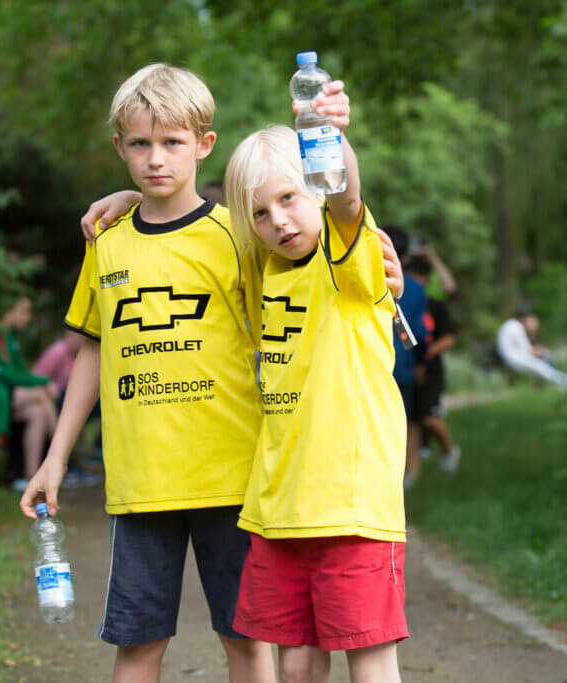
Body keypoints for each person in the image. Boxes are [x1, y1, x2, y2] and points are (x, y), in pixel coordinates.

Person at [18, 63, 275, 683]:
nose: (155, 159)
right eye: (140, 144)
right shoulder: (106, 242)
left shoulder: (239, 233)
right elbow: (92, 350)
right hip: (141, 483)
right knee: (137, 647)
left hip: (233, 477)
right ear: (120, 148)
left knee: (246, 643)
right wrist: (56, 457)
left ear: (204, 145)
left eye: (172, 143)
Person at [224, 89, 408, 682]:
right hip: (278, 512)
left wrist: (325, 133)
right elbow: (189, 225)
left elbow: (348, 197)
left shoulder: (344, 262)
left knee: (369, 658)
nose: (278, 219)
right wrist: (131, 197)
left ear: (315, 190)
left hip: (350, 510)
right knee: (296, 664)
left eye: (289, 198)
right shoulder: (261, 270)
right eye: (260, 212)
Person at [0, 297, 60, 490]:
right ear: (8, 312)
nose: (27, 317)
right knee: (41, 395)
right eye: (23, 311)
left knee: (37, 413)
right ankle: (60, 457)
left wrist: (39, 382)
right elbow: (6, 375)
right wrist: (43, 382)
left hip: (8, 396)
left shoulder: (10, 339)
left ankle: (31, 476)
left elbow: (20, 373)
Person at [406, 255, 461, 474]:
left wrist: (425, 356)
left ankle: (449, 450)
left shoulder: (434, 306)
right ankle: (412, 472)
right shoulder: (401, 304)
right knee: (411, 421)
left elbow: (450, 337)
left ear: (424, 279)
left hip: (430, 370)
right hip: (409, 367)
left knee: (429, 417)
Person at [384, 226, 429, 489]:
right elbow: (418, 335)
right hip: (403, 364)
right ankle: (409, 473)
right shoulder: (414, 290)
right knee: (407, 421)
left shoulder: (362, 279)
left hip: (369, 364)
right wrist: (420, 363)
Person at [496, 302, 567, 389]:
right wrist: (540, 350)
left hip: (510, 357)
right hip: (514, 358)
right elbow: (527, 350)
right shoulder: (516, 326)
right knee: (543, 366)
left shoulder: (510, 324)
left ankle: (562, 382)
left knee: (543, 363)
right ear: (523, 318)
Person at [32, 330, 84, 404]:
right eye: (78, 336)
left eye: (82, 337)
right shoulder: (58, 351)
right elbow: (37, 375)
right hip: (59, 394)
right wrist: (48, 383)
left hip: (73, 393)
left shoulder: (81, 354)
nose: (80, 340)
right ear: (68, 333)